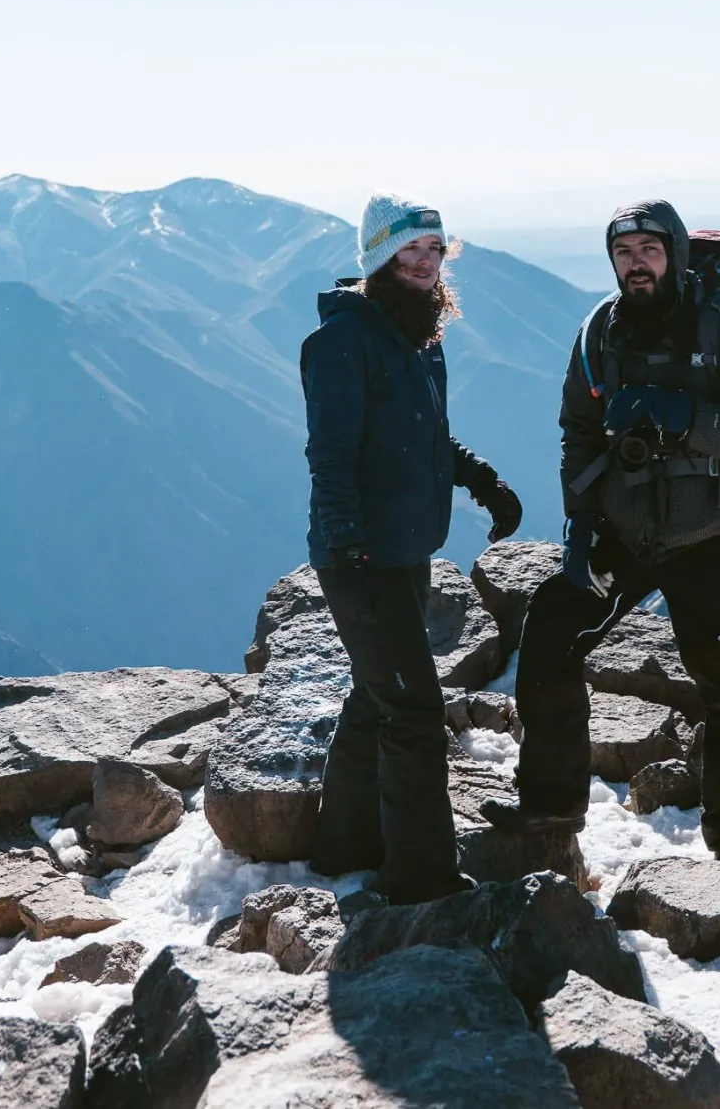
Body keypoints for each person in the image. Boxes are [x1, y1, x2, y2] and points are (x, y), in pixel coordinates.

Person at [481, 199, 720, 863]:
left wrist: (681, 415)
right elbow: (578, 433)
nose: (636, 264)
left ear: (675, 253)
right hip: (623, 532)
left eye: (649, 251)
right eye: (623, 254)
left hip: (714, 535)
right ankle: (550, 808)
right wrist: (582, 522)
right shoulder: (600, 331)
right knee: (549, 635)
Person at [302, 192, 522, 904]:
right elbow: (330, 458)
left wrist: (482, 481)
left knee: (378, 697)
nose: (426, 264)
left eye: (434, 250)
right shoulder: (341, 343)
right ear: (378, 259)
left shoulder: (420, 336)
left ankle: (342, 848)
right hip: (362, 559)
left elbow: (425, 439)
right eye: (410, 251)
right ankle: (421, 880)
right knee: (416, 713)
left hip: (404, 550)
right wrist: (349, 547)